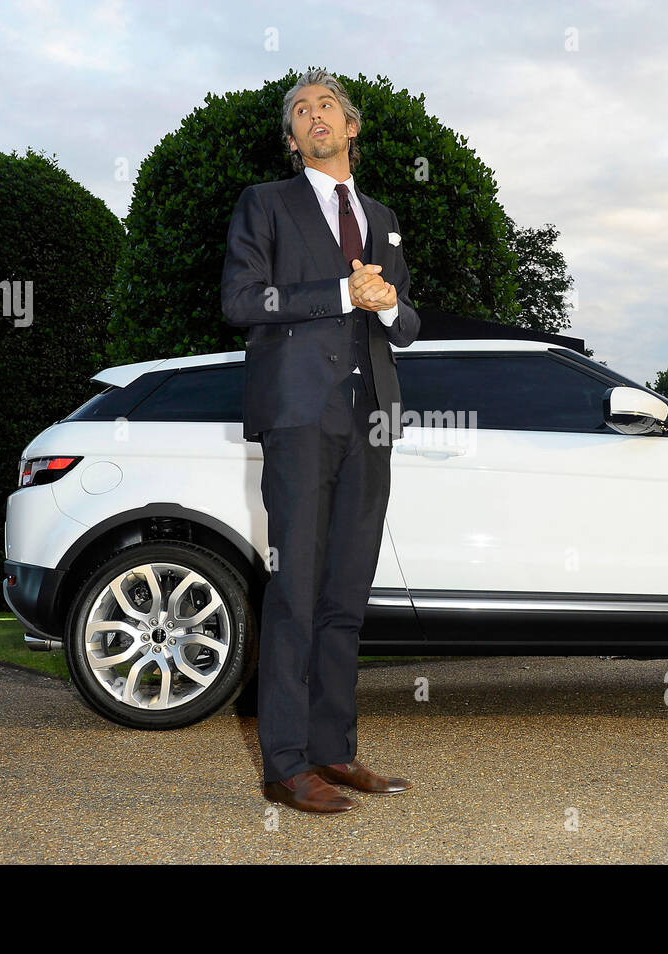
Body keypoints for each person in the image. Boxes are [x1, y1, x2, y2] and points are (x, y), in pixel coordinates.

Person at [221, 68, 422, 813]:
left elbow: (407, 325)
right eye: (300, 111)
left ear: (352, 126)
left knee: (345, 595)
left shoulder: (381, 216)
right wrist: (340, 293)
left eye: (326, 106)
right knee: (297, 592)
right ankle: (284, 763)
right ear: (292, 135)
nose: (314, 117)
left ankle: (335, 752)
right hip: (300, 417)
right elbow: (242, 302)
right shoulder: (264, 205)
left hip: (370, 419)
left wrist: (389, 301)